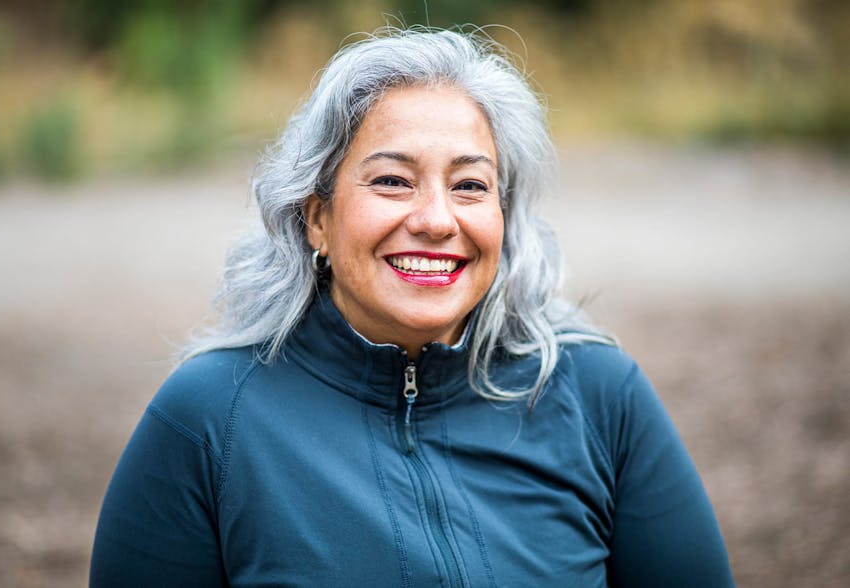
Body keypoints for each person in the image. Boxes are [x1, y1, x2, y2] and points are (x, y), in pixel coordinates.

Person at [90, 27, 734, 587]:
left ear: (504, 217)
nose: (435, 219)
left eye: (470, 185)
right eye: (393, 180)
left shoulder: (599, 397)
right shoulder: (208, 420)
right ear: (317, 217)